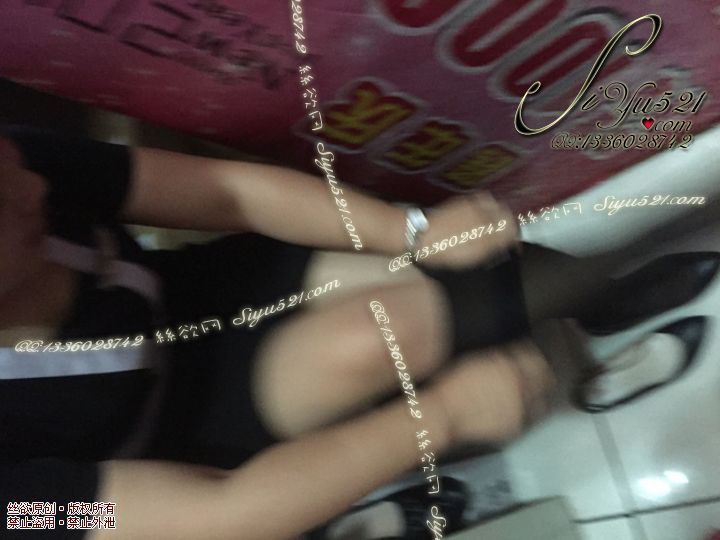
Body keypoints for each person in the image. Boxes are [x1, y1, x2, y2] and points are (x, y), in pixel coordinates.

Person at [0, 125, 715, 539]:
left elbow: (229, 192)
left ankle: (593, 297)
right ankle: (393, 477)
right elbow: (217, 515)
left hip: (195, 299)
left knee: (429, 275)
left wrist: (414, 233)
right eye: (6, 209)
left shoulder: (22, 167)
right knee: (377, 343)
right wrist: (441, 416)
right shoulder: (16, 502)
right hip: (175, 445)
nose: (35, 186)